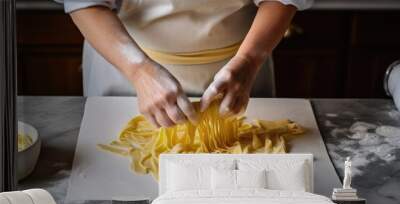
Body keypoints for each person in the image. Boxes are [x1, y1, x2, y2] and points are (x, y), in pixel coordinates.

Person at [56, 0, 313, 127]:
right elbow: (84, 2)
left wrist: (249, 59)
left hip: (240, 63)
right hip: (124, 63)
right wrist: (139, 71)